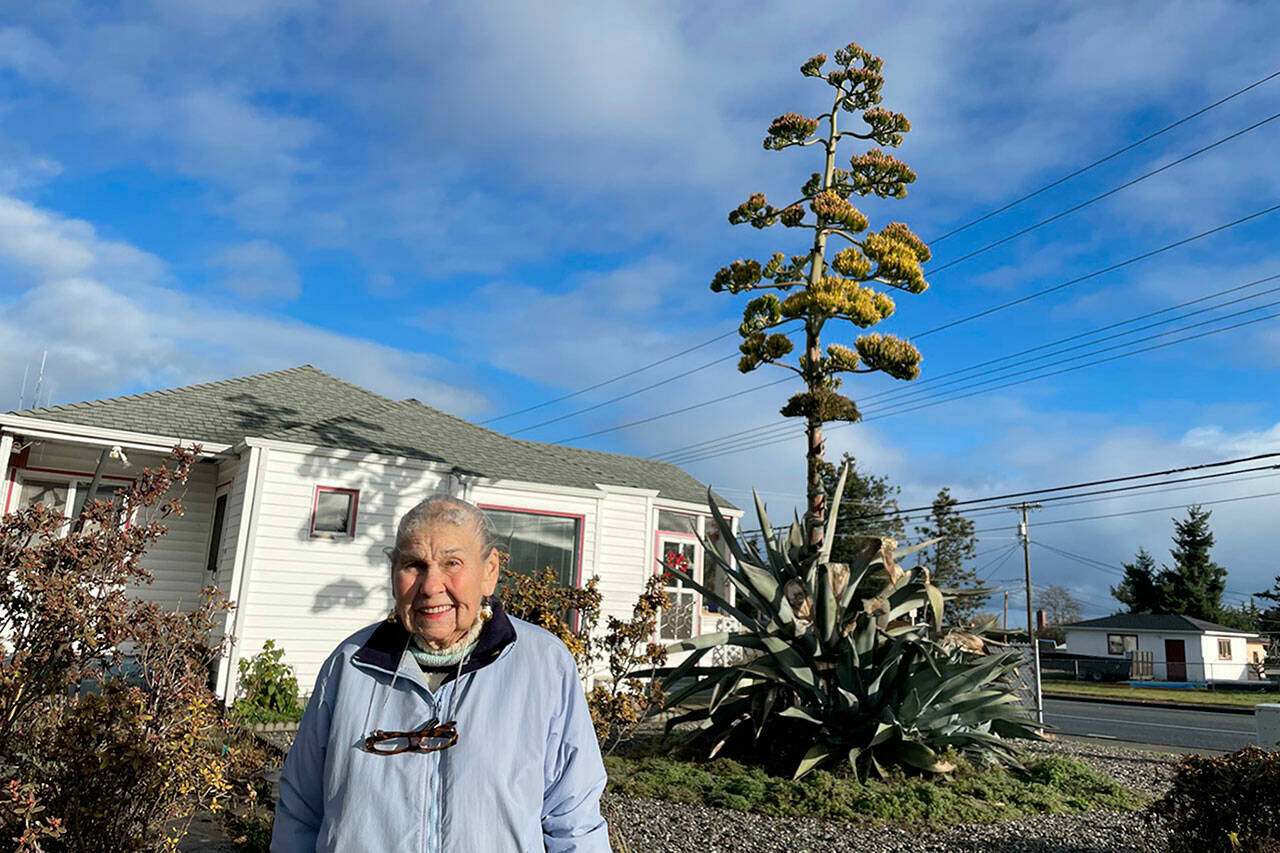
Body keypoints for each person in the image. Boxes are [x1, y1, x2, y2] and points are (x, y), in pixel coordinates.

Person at [271, 494, 610, 852]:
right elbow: (301, 811)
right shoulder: (350, 664)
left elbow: (574, 820)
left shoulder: (544, 665)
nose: (431, 586)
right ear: (393, 574)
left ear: (489, 571)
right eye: (414, 565)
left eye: (452, 563)